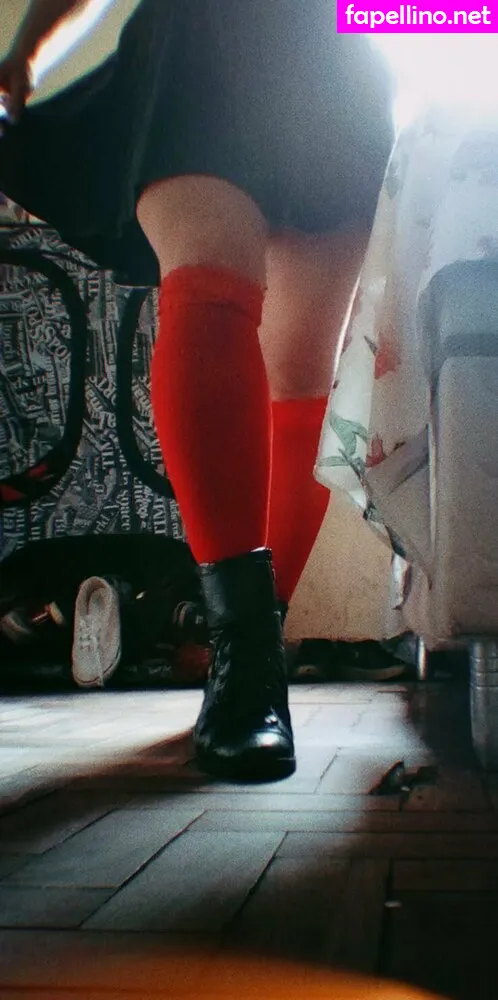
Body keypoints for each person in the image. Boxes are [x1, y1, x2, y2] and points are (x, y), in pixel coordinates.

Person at [0, 0, 393, 781]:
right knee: (208, 283)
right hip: (201, 33)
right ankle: (244, 662)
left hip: (334, 50)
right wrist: (28, 55)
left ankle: (252, 655)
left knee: (303, 369)